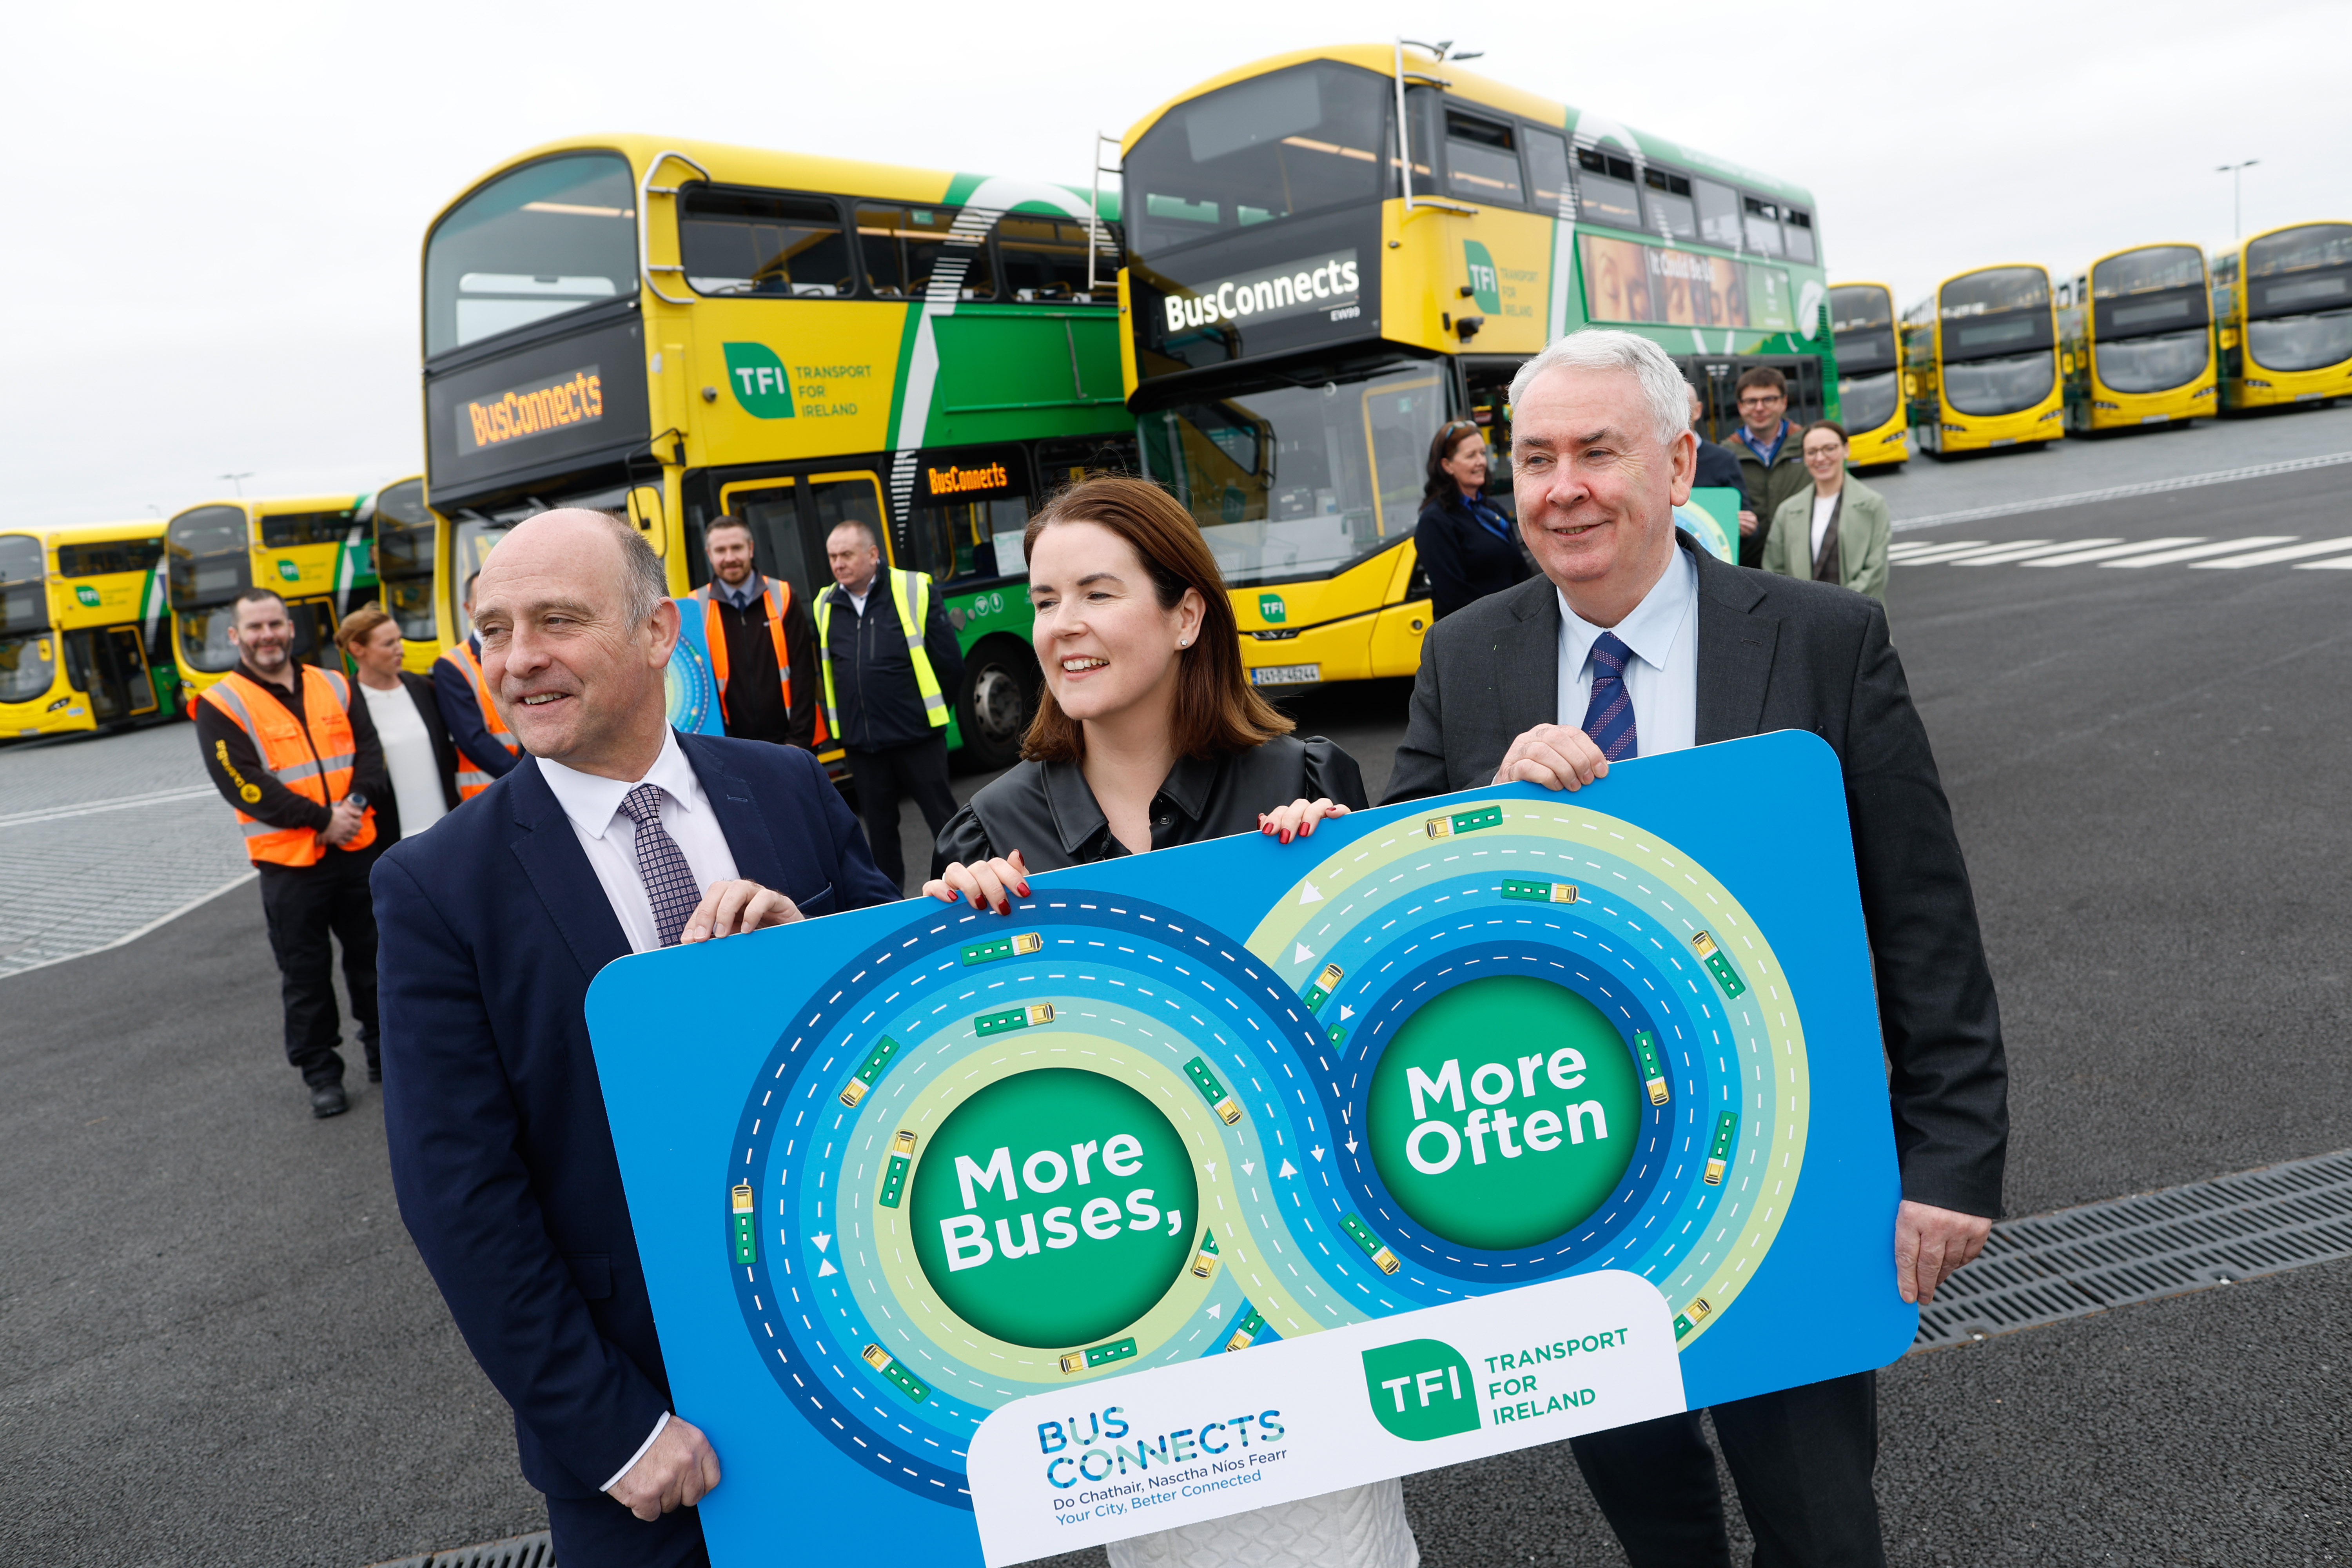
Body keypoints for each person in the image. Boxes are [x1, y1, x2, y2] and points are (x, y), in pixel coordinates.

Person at [1385, 328, 2006, 1567]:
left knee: (1820, 1527)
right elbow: (1404, 921)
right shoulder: (1467, 656)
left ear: (1675, 465)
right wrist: (1484, 815)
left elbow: (1920, 909)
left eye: (1595, 452)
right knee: (1656, 1524)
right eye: (1534, 456)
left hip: (1790, 1164)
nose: (1561, 487)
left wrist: (1952, 1157)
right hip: (1571, 1191)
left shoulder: (1821, 638)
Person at [374, 509, 899, 1568]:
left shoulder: (788, 786)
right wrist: (615, 1431)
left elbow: (909, 1018)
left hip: (867, 1365)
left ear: (660, 632)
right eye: (494, 631)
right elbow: (460, 1195)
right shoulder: (438, 888)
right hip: (653, 1445)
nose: (519, 662)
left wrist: (819, 961)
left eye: (558, 621)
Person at [926, 475, 1412, 1568]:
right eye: (1046, 600)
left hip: (1299, 1307)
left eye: (1098, 592)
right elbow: (977, 1106)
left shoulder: (1304, 781)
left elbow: (1374, 1049)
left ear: (1186, 614)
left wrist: (1344, 891)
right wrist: (951, 958)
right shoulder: (988, 834)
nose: (1062, 628)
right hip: (1127, 1323)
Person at [194, 588, 390, 1117]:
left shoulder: (334, 683)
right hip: (290, 863)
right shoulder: (221, 704)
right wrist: (321, 820)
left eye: (275, 624)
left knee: (375, 960)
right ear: (237, 637)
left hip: (356, 847)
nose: (268, 636)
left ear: (291, 628)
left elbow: (369, 753)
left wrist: (351, 806)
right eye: (255, 628)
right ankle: (321, 1074)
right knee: (304, 975)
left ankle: (384, 1055)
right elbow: (243, 783)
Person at [813, 518, 964, 891]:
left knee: (945, 823)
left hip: (917, 736)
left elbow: (950, 664)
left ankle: (965, 890)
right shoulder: (825, 603)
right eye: (833, 557)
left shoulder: (913, 587)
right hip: (864, 744)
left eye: (846, 555)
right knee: (879, 834)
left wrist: (927, 713)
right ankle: (890, 906)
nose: (838, 564)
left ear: (873, 555)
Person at [688, 514, 824, 750]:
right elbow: (702, 686)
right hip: (734, 751)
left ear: (751, 549)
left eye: (737, 548)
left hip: (792, 745)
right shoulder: (695, 607)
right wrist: (727, 748)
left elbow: (804, 674)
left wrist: (798, 743)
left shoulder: (783, 595)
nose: (730, 558)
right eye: (721, 550)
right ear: (709, 555)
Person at [337, 603, 461, 842]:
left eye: (399, 640)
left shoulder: (423, 688)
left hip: (447, 828)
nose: (400, 650)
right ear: (357, 648)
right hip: (390, 839)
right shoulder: (346, 702)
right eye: (389, 644)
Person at [1762, 420, 1892, 603]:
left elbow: (1875, 572)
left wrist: (1837, 606)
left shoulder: (1872, 505)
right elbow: (1774, 570)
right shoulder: (1788, 510)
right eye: (1812, 452)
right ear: (1805, 458)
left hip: (1860, 617)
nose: (1821, 458)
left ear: (1846, 449)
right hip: (1803, 618)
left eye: (1829, 449)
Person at [1414, 417, 1529, 621]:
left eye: (1483, 453)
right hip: (1472, 635)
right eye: (1471, 456)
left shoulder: (1494, 510)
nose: (1481, 462)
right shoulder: (1435, 521)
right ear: (1447, 465)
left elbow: (1520, 572)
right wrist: (1506, 618)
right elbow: (1454, 595)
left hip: (1513, 625)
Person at [435, 570, 522, 799]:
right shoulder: (452, 665)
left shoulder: (524, 648)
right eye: (483, 600)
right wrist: (528, 778)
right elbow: (472, 739)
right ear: (468, 609)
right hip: (490, 790)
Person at [1720, 366, 1810, 568]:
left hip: (1803, 561)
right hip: (1749, 566)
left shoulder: (1809, 447)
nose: (1759, 408)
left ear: (1784, 402)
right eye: (1751, 401)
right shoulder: (1724, 456)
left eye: (1769, 399)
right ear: (1740, 407)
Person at [1687, 384, 1752, 503]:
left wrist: (1745, 519)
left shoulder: (1724, 459)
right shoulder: (1649, 459)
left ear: (1698, 410)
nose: (1673, 413)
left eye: (1682, 406)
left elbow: (1740, 510)